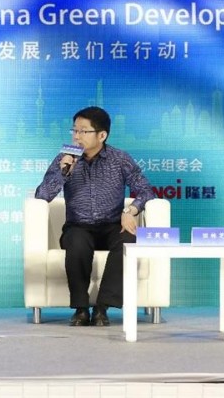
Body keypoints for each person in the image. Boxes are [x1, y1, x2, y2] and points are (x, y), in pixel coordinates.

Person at [35, 106, 155, 327]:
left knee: (129, 241)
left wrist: (131, 211)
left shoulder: (120, 159)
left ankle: (102, 307)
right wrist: (63, 172)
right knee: (77, 243)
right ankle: (81, 309)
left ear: (102, 135)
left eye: (83, 131)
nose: (76, 136)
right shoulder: (64, 158)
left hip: (112, 225)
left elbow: (146, 190)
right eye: (74, 130)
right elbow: (42, 195)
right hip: (78, 226)